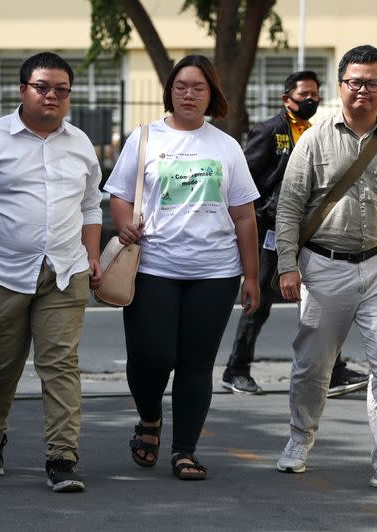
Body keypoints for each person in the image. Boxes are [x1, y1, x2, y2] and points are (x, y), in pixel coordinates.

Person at [274, 45, 377, 491]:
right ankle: (300, 440)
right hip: (323, 267)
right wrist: (288, 264)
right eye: (354, 82)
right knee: (312, 365)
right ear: (340, 85)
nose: (363, 90)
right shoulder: (315, 138)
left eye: (373, 83)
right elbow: (289, 207)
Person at [0, 52, 102, 493]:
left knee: (60, 365)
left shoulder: (80, 144)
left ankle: (62, 456)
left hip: (66, 270)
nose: (52, 95)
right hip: (3, 271)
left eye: (61, 89)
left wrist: (91, 255)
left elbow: (91, 204)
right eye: (42, 87)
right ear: (22, 90)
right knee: (2, 366)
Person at [104, 54, 260, 480]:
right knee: (150, 354)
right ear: (169, 91)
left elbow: (245, 216)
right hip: (154, 265)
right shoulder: (145, 138)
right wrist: (123, 222)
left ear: (211, 95)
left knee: (195, 362)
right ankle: (150, 418)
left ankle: (185, 450)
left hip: (215, 272)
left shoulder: (225, 145)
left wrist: (251, 275)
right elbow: (119, 194)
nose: (189, 94)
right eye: (181, 86)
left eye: (198, 88)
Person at [221, 71, 369, 397]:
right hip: (271, 231)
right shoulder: (270, 131)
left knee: (321, 299)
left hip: (308, 232)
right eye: (304, 94)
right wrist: (260, 216)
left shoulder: (315, 133)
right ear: (286, 98)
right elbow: (244, 181)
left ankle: (331, 370)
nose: (311, 100)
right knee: (258, 301)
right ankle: (236, 369)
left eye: (315, 94)